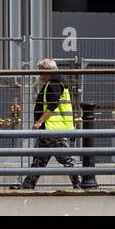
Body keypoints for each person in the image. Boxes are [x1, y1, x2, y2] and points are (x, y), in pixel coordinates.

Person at [18, 58, 82, 189]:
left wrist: (39, 122)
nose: (39, 74)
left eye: (40, 71)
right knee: (40, 160)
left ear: (47, 71)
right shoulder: (53, 83)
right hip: (50, 129)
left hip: (53, 129)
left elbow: (52, 105)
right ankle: (28, 185)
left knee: (65, 159)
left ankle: (81, 182)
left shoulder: (54, 83)